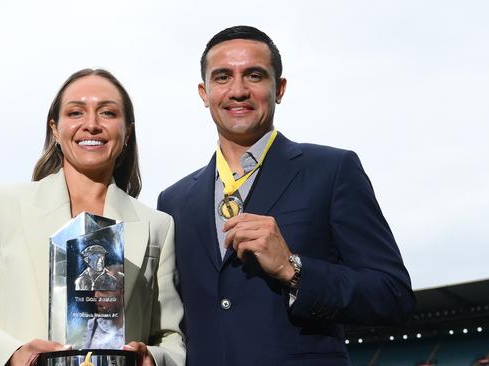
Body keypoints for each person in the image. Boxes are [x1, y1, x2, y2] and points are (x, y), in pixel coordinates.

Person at [157, 26, 415, 365]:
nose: (237, 91)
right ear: (204, 93)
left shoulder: (333, 170)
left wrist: (292, 268)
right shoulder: (173, 201)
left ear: (279, 89)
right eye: (222, 77)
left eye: (254, 75)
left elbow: (392, 295)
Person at [0, 68, 185, 366]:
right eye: (76, 112)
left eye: (107, 113)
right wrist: (14, 356)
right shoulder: (1, 206)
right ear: (55, 128)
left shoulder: (158, 226)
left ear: (127, 130)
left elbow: (170, 338)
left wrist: (153, 359)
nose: (91, 125)